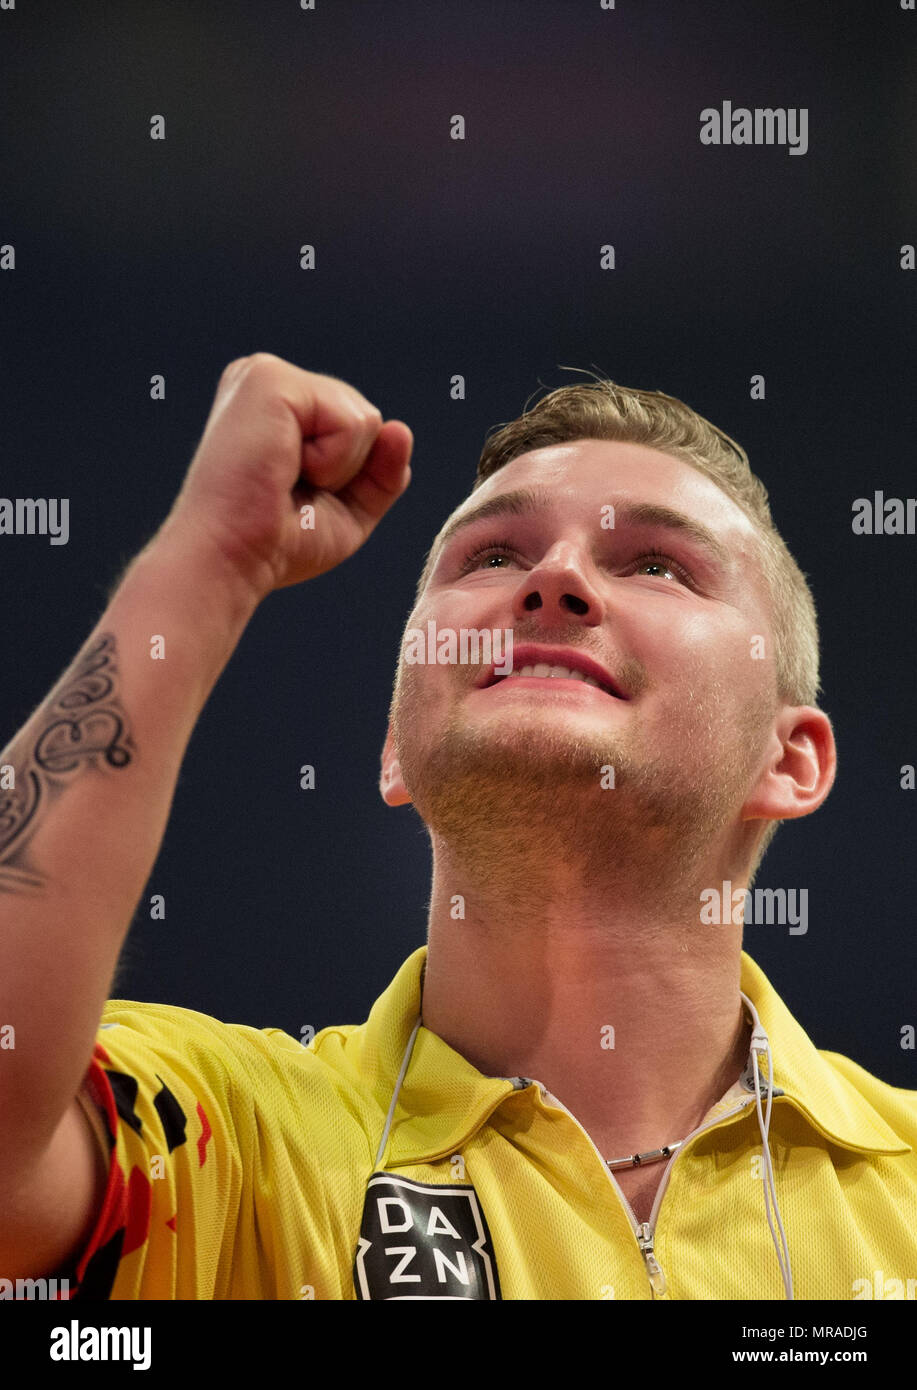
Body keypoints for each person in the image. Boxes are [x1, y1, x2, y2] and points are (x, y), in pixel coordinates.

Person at [1, 354, 914, 1302]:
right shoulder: (243, 1140)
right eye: (493, 557)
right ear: (396, 744)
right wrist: (208, 561)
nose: (554, 580)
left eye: (655, 564)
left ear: (789, 759)